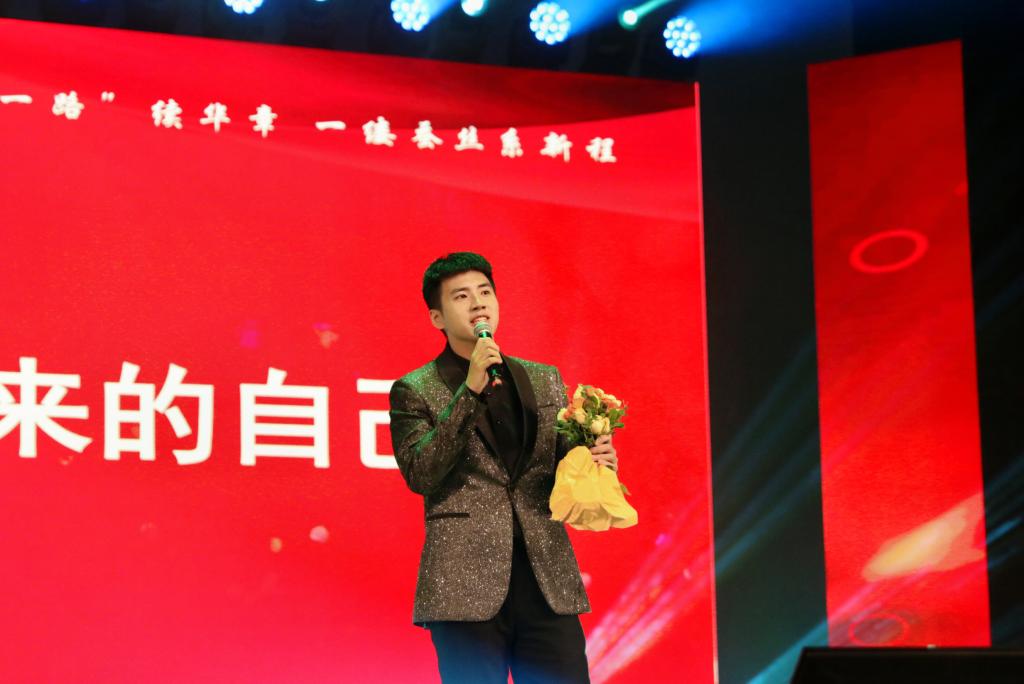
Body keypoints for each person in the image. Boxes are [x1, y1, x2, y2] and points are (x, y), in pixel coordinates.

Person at [389, 252, 619, 684]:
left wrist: (594, 459)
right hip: (464, 587)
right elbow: (421, 471)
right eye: (461, 296)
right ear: (437, 317)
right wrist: (470, 391)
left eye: (485, 292)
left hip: (545, 577)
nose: (478, 303)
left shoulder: (544, 379)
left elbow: (559, 467)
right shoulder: (414, 389)